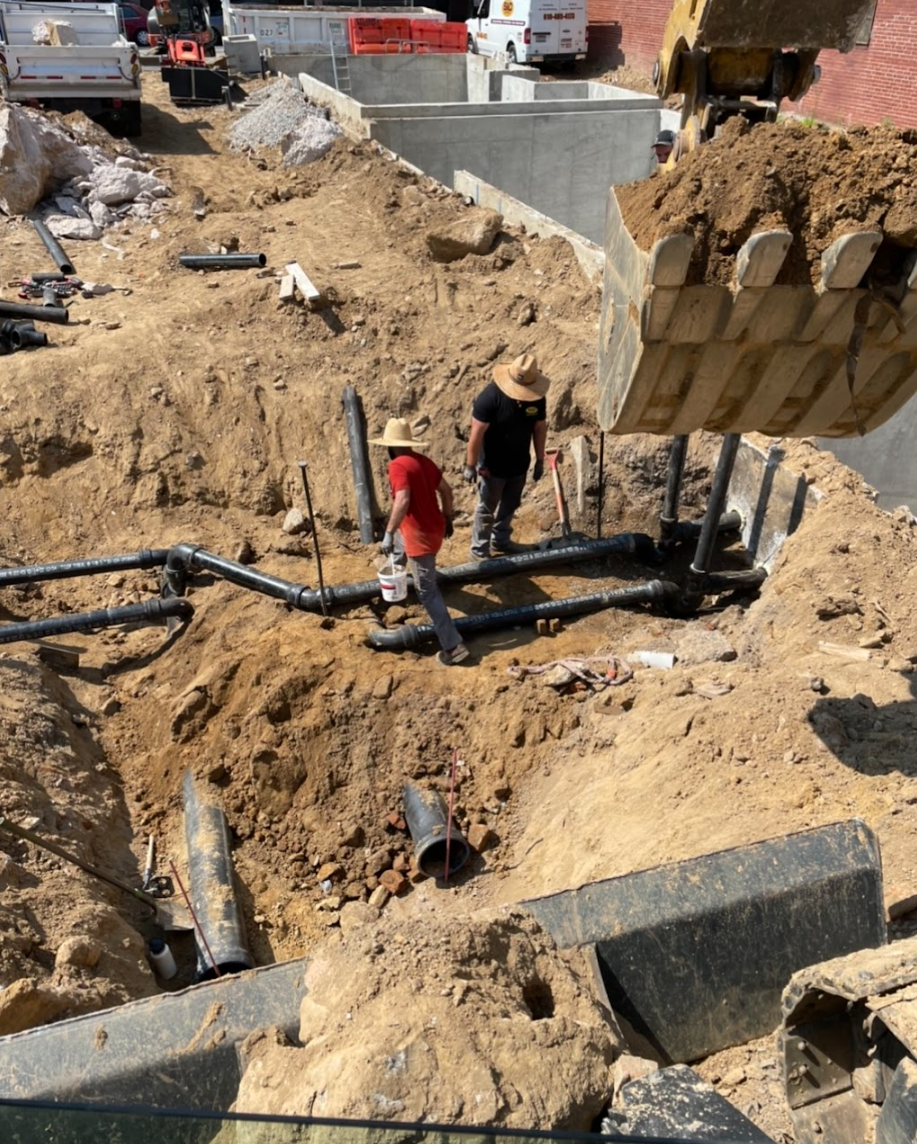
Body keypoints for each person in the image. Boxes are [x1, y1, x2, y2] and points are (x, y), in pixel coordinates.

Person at [370, 417, 470, 667]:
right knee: (398, 546)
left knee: (427, 591)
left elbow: (402, 500)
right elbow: (446, 491)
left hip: (420, 538)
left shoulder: (397, 466)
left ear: (390, 446)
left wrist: (388, 531)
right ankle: (393, 588)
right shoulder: (424, 462)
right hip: (433, 528)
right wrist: (448, 517)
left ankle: (453, 646)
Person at [464, 352, 548, 560]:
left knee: (511, 503)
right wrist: (470, 465)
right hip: (492, 466)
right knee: (487, 507)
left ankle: (500, 540)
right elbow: (476, 434)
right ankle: (479, 550)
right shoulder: (490, 398)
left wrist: (539, 459)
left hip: (519, 464)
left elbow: (539, 428)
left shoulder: (537, 400)